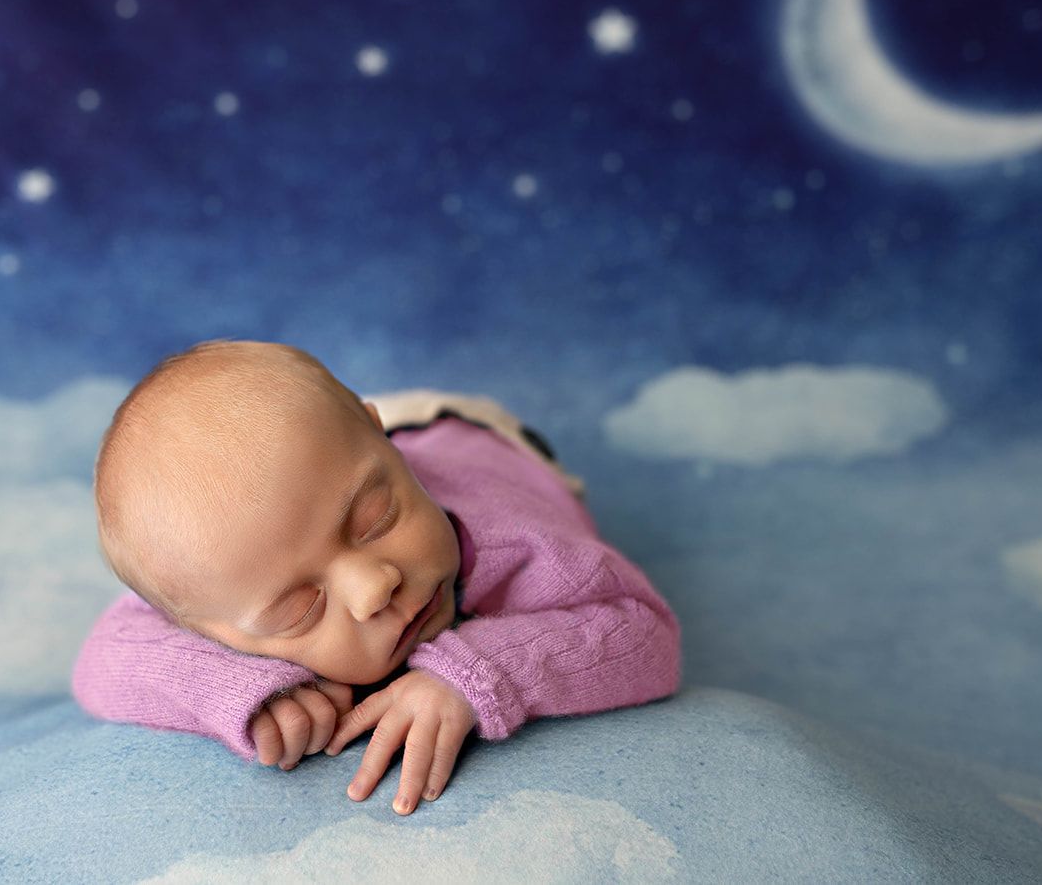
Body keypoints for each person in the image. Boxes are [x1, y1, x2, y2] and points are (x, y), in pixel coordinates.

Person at [72, 339, 681, 816]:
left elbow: (645, 630)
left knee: (330, 448)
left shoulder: (523, 547)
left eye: (377, 521)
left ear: (392, 454)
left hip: (481, 439)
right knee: (308, 471)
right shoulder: (228, 577)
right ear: (212, 632)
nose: (375, 587)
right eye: (301, 610)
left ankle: (362, 443)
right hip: (353, 445)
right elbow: (104, 658)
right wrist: (244, 688)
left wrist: (473, 673)